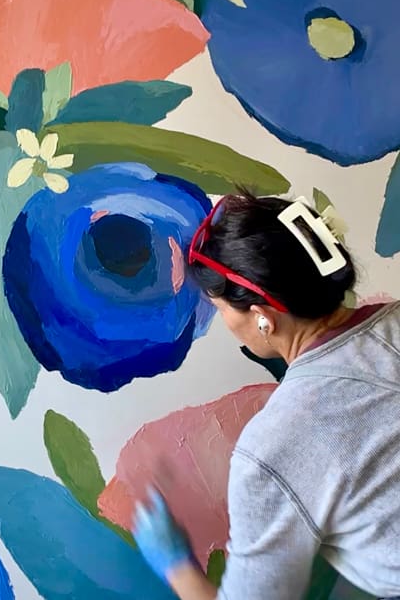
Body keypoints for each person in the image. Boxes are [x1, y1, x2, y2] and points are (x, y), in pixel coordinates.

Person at [132, 191, 400, 600]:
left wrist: (176, 565)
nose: (224, 322)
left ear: (262, 318)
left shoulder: (276, 444)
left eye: (220, 307)